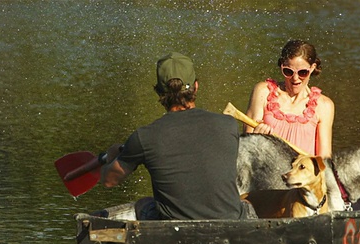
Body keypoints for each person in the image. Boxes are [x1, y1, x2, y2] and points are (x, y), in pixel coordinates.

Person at [99, 52, 255, 220]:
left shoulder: (144, 137)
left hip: (175, 233)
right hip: (230, 227)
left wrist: (112, 156)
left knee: (144, 204)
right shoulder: (228, 125)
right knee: (248, 204)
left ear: (158, 92)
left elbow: (109, 181)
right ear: (196, 86)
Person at [244, 40, 335, 158]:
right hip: (264, 170)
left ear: (312, 68)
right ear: (282, 65)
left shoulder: (324, 105)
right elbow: (246, 145)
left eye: (302, 72)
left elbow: (324, 160)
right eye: (288, 71)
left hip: (299, 175)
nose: (295, 78)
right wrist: (255, 138)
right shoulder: (263, 92)